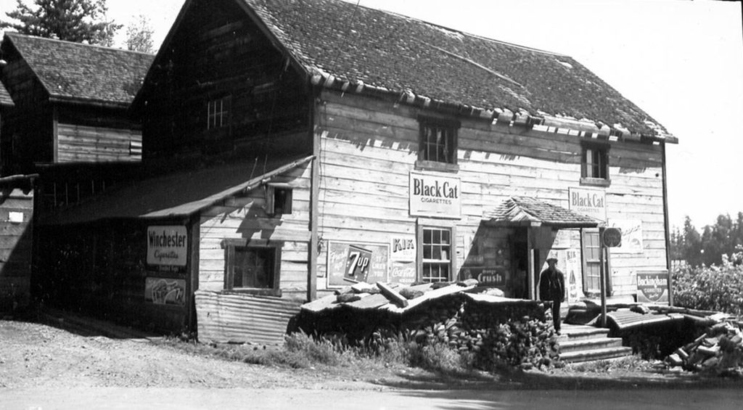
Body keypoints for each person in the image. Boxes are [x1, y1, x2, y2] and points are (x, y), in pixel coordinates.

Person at [539, 257, 565, 334]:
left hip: (556, 295)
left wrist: (562, 296)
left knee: (556, 312)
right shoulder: (544, 274)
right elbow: (541, 286)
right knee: (547, 313)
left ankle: (557, 328)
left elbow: (562, 286)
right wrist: (541, 298)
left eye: (554, 263)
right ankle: (546, 329)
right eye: (551, 263)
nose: (552, 265)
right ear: (548, 264)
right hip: (547, 296)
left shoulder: (559, 274)